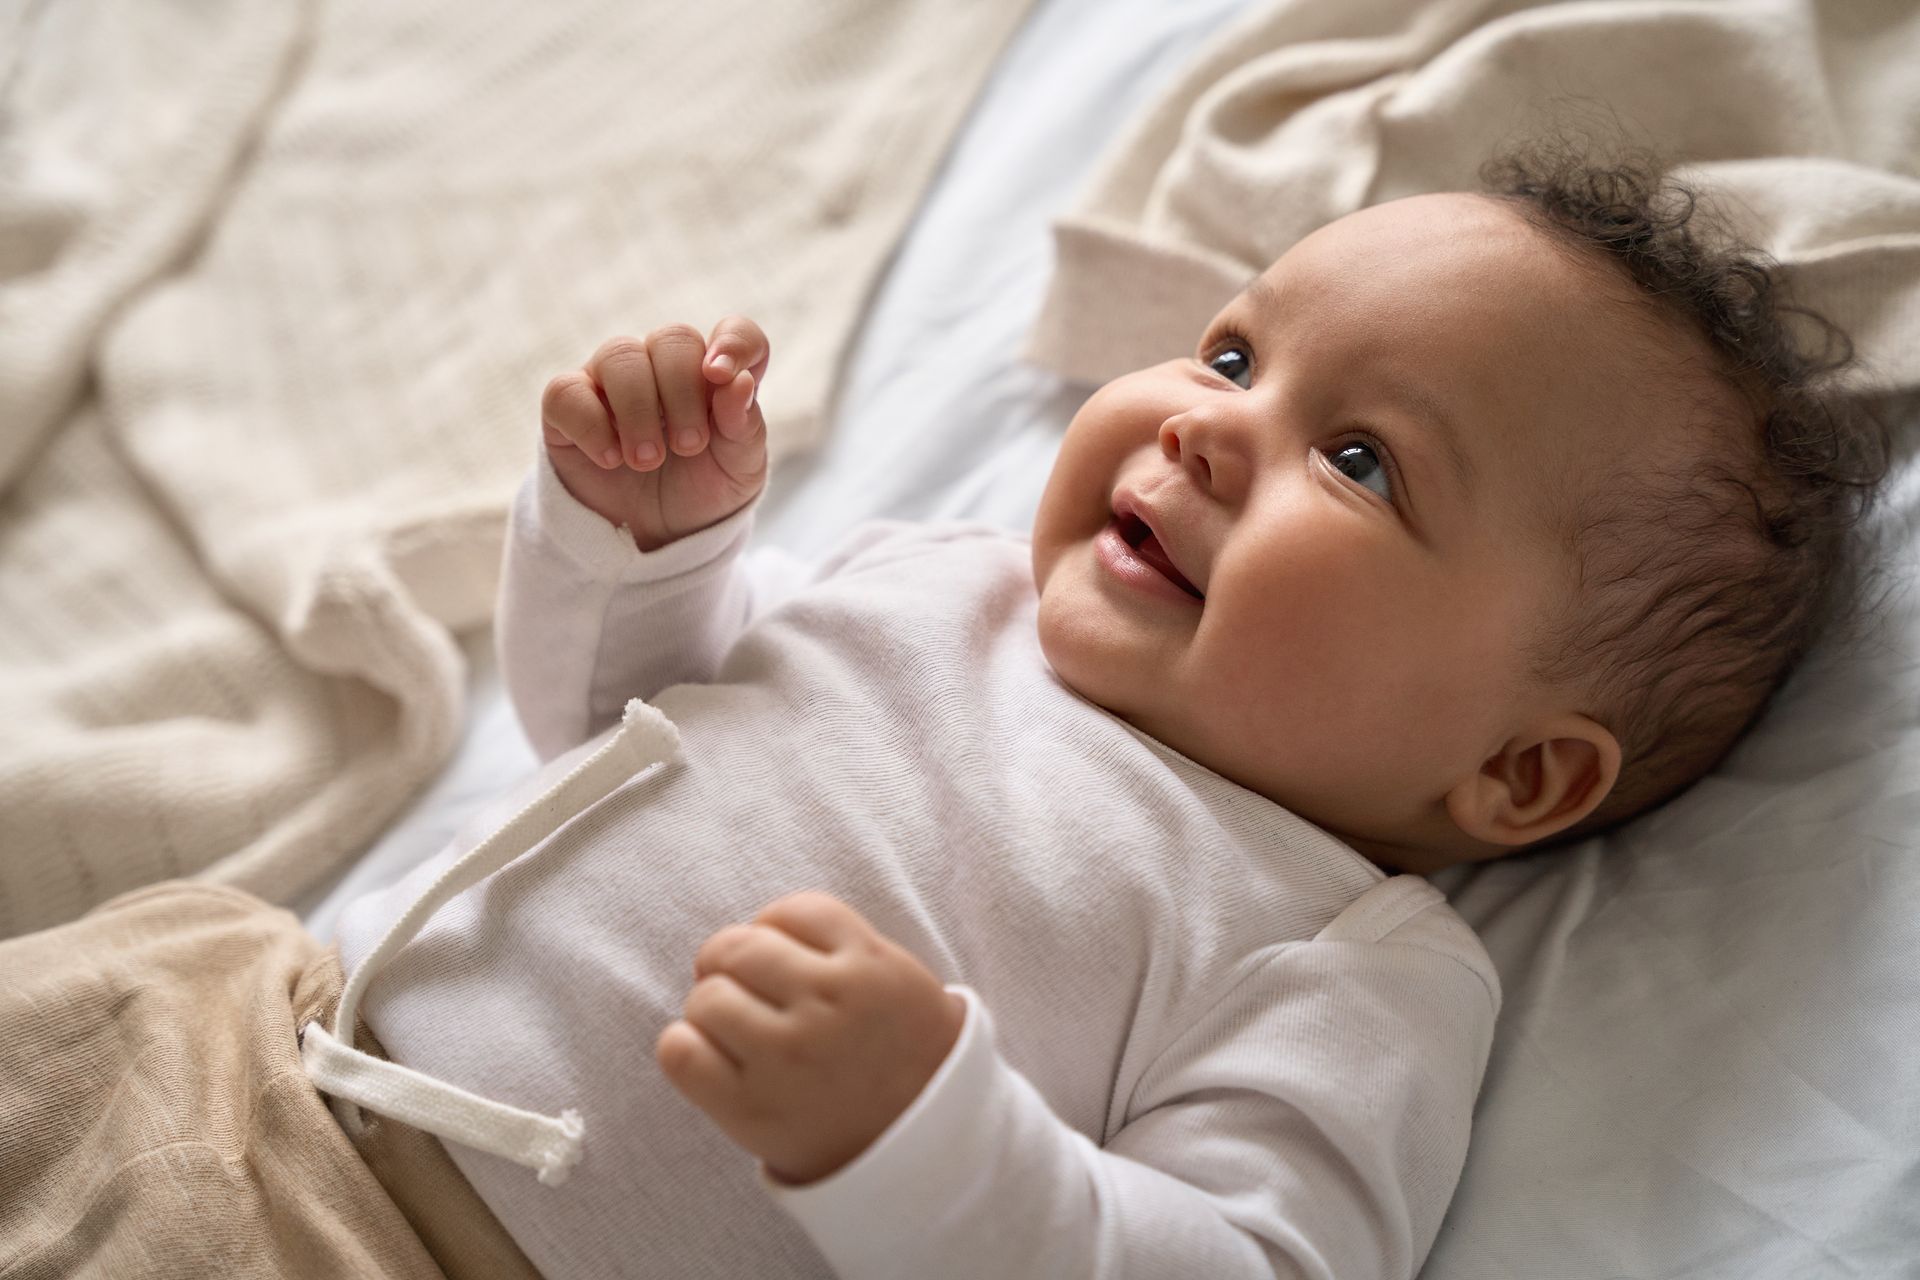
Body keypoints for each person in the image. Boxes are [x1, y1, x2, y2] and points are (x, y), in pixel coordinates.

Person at [0, 150, 1890, 1280]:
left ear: (1517, 771)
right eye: (1237, 348)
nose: (1208, 418)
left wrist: (928, 1136)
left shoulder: (1339, 955)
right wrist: (643, 559)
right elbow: (605, 741)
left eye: (1365, 460)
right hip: (232, 1029)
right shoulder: (954, 579)